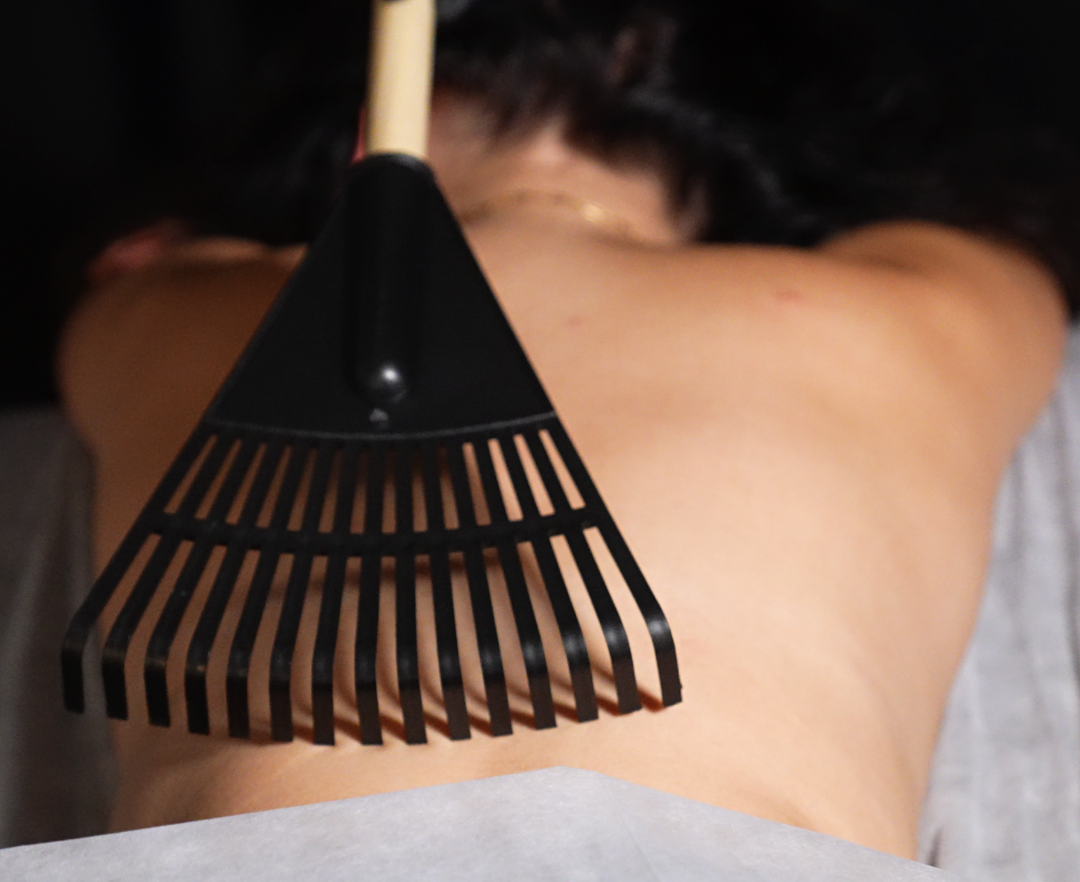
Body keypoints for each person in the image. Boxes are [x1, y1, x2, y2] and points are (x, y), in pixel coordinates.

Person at [57, 0, 1080, 864]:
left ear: (364, 134)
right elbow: (999, 244)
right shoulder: (898, 314)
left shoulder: (173, 309)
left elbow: (135, 259)